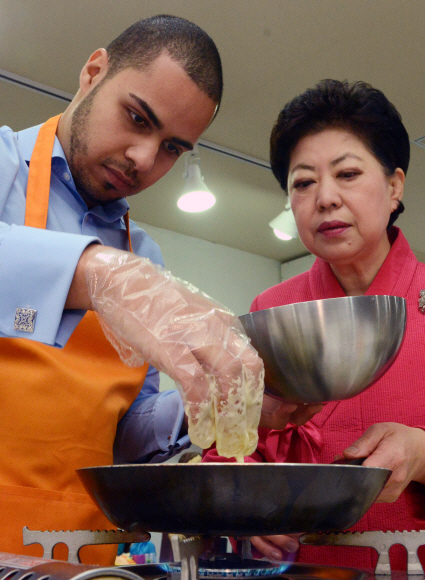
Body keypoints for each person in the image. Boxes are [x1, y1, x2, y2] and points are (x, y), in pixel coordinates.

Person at [0, 14, 272, 565]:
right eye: (136, 117)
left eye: (173, 148)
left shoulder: (143, 255)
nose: (145, 159)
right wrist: (99, 275)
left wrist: (216, 402)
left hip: (80, 562)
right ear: (94, 72)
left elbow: (126, 440)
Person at [204, 80, 425, 571]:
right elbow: (230, 444)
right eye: (303, 182)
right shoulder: (270, 309)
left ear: (394, 186)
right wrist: (244, 506)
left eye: (347, 173)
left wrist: (422, 452)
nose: (325, 198)